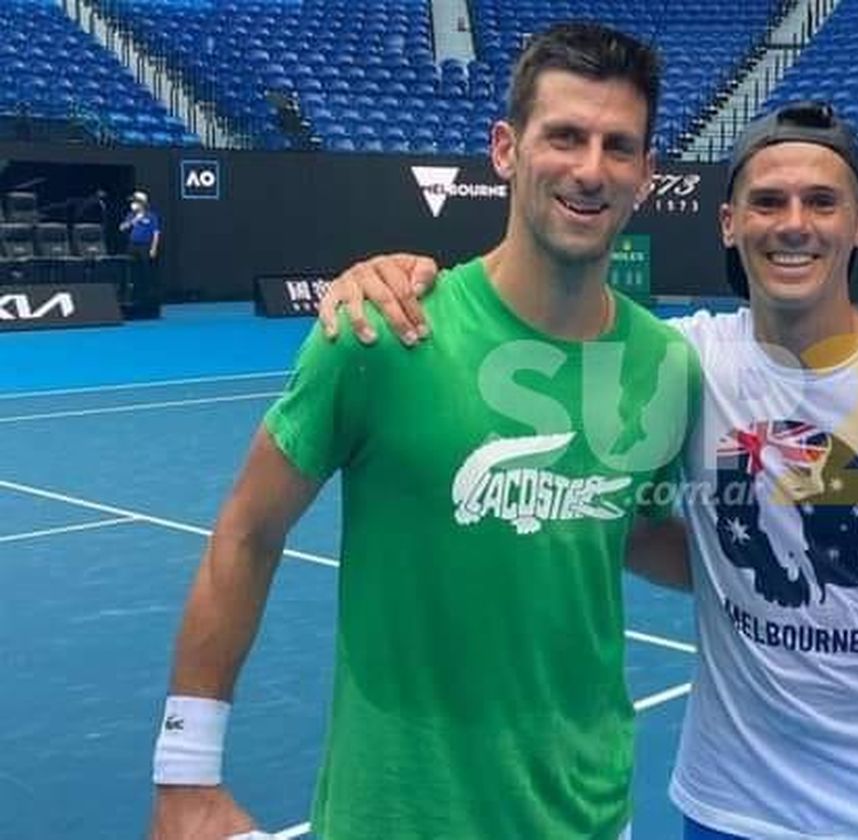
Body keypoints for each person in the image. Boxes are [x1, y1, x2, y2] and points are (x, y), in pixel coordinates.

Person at [320, 101, 858, 839]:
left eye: (822, 202)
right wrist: (397, 275)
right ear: (729, 224)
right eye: (767, 202)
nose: (793, 223)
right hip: (722, 807)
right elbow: (617, 504)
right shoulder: (677, 363)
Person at [148, 22, 699, 840]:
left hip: (590, 815)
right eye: (565, 137)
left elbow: (630, 529)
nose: (590, 169)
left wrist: (791, 555)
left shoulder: (665, 364)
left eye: (619, 146)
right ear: (506, 149)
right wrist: (186, 771)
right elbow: (247, 530)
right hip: (396, 817)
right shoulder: (382, 331)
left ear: (647, 174)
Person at [119, 189, 161, 311]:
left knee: (145, 271)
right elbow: (122, 228)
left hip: (145, 246)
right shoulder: (131, 215)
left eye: (136, 202)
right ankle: (130, 295)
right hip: (132, 245)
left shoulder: (151, 216)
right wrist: (134, 221)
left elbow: (156, 234)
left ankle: (146, 296)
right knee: (131, 269)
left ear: (142, 203)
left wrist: (153, 248)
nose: (133, 204)